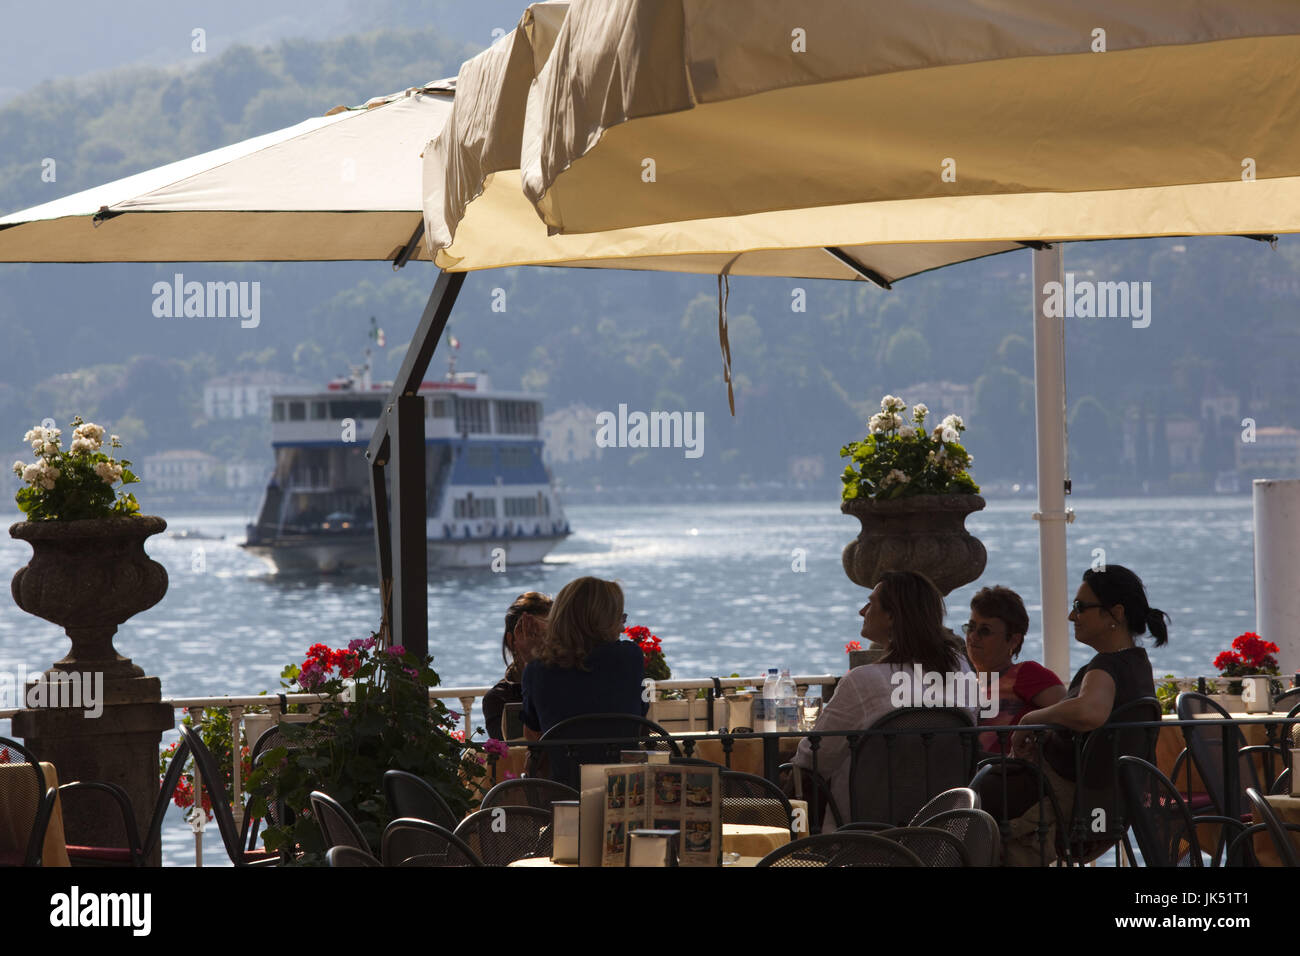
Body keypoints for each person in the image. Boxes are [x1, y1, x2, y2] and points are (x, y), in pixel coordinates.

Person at [995, 564, 1167, 866]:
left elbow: (1090, 712)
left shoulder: (1106, 666)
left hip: (1059, 807)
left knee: (963, 812)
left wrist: (1028, 720)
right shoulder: (1138, 667)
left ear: (1115, 613)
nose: (1071, 616)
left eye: (1080, 607)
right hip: (1107, 806)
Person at [790, 570, 977, 831]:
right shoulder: (961, 669)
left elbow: (813, 757)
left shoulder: (864, 681)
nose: (862, 611)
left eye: (871, 603)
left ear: (891, 616)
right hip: (942, 830)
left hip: (865, 832)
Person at [520, 576, 647, 736]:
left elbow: (534, 738)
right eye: (619, 618)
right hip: (622, 760)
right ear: (602, 622)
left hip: (565, 761)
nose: (622, 628)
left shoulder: (538, 669)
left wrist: (532, 659)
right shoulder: (631, 656)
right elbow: (640, 714)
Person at [964, 585, 1065, 754]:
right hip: (973, 776)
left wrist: (1039, 732)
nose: (973, 636)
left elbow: (1069, 712)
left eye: (985, 631)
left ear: (1013, 640)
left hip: (1009, 776)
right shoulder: (969, 684)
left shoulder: (1026, 674)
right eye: (971, 627)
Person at [482, 591, 551, 741]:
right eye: (532, 634)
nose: (544, 643)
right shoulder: (497, 699)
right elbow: (514, 752)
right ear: (511, 640)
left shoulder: (568, 683)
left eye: (549, 635)